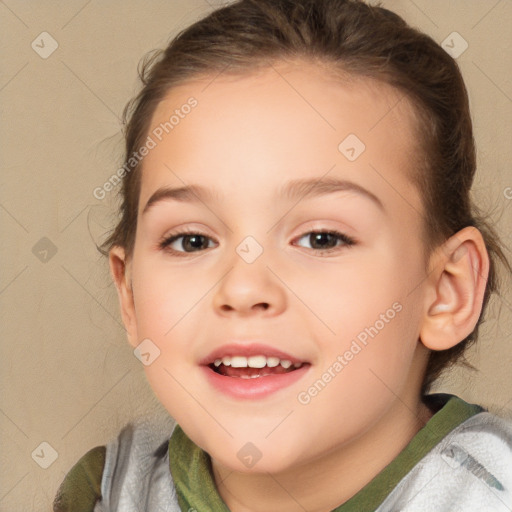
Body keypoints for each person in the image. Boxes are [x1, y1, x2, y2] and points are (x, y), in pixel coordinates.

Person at [53, 0, 512, 510]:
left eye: (321, 238)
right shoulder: (106, 494)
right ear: (130, 294)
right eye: (192, 241)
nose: (244, 289)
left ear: (447, 291)